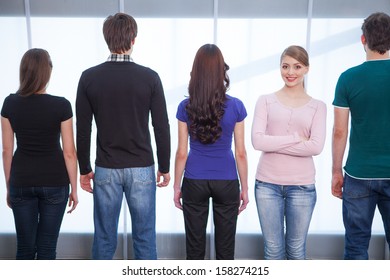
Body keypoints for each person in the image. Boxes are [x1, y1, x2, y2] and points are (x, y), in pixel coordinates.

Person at [76, 13, 171, 260]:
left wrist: (84, 169)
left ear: (106, 38)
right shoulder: (150, 77)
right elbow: (161, 125)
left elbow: (83, 128)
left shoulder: (89, 77)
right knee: (145, 238)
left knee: (104, 239)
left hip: (106, 168)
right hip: (142, 168)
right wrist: (164, 165)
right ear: (133, 39)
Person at [1, 48, 78, 260]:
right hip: (55, 183)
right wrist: (74, 189)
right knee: (46, 248)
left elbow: (7, 150)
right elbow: (69, 152)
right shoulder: (61, 105)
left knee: (25, 249)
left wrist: (10, 187)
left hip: (21, 182)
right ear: (48, 73)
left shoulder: (9, 103)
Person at [173, 44, 249, 260]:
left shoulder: (185, 107)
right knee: (226, 252)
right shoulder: (236, 106)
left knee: (194, 251)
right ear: (221, 72)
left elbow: (181, 152)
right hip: (226, 181)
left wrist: (177, 187)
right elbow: (241, 152)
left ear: (195, 72)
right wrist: (244, 188)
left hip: (194, 181)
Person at [251, 45, 326, 260]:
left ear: (307, 69)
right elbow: (257, 141)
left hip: (302, 186)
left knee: (296, 250)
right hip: (267, 185)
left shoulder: (318, 106)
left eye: (297, 66)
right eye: (285, 66)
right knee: (273, 250)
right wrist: (295, 139)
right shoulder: (265, 100)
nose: (290, 72)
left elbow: (316, 146)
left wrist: (273, 143)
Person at [331, 12, 390, 260]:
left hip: (357, 175)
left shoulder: (347, 78)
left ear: (363, 39)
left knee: (356, 246)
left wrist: (336, 171)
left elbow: (340, 131)